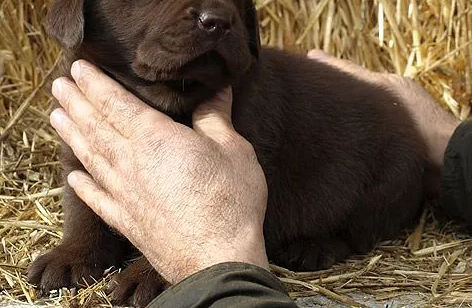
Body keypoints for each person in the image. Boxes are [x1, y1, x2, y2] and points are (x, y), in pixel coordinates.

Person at [48, 50, 468, 307]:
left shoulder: (246, 95)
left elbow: (239, 192)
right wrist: (82, 246)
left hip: (377, 167)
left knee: (398, 154)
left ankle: (340, 239)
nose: (212, 7)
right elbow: (87, 165)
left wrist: (204, 270)